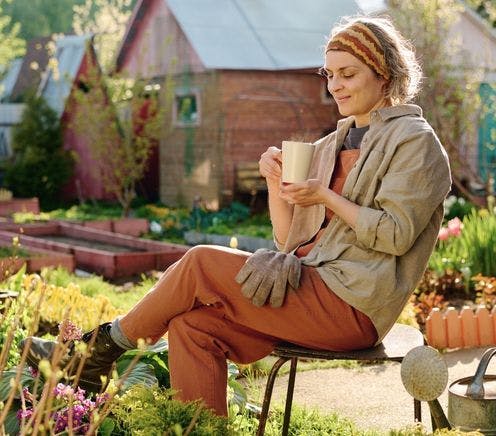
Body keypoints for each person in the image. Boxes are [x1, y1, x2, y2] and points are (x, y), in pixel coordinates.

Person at [22, 15, 451, 417]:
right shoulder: (334, 143)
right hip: (311, 287)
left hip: (353, 307)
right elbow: (289, 241)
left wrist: (324, 194)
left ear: (385, 74)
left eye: (348, 73)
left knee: (201, 261)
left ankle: (95, 349)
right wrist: (274, 183)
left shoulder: (414, 143)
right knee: (193, 327)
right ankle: (201, 425)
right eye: (330, 74)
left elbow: (396, 235)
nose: (335, 86)